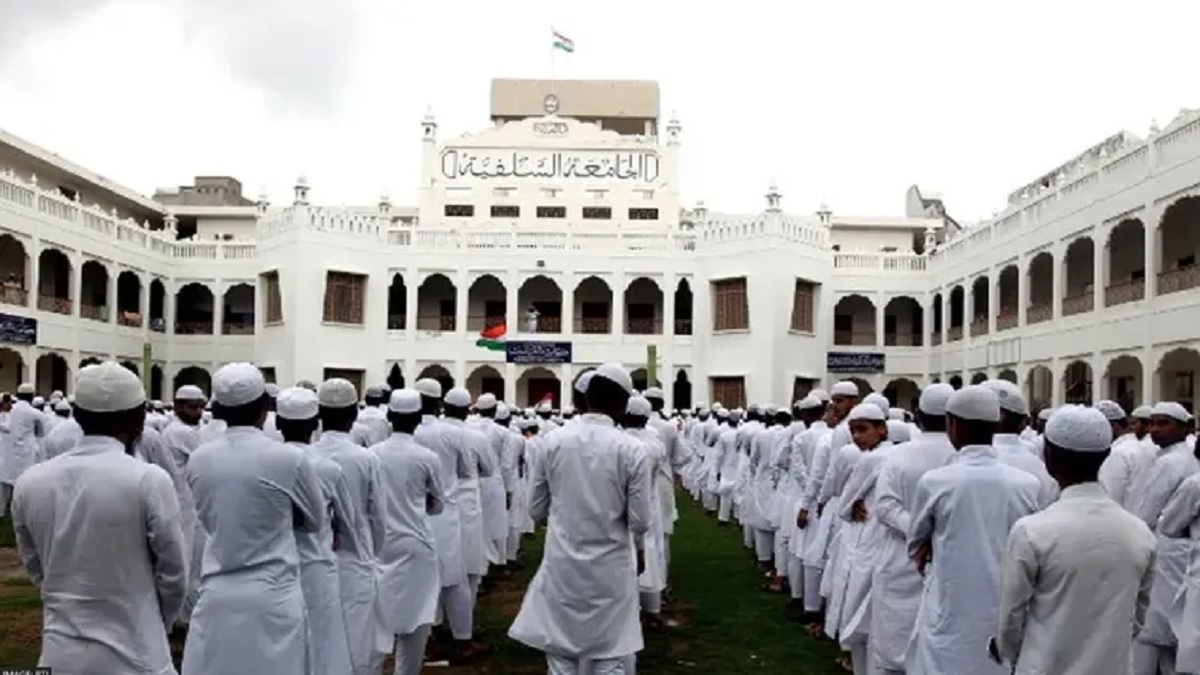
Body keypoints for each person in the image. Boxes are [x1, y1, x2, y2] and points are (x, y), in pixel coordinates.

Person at [12, 362, 188, 675]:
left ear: (78, 415)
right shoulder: (147, 479)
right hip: (138, 653)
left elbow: (36, 567)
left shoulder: (30, 482)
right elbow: (174, 575)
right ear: (139, 420)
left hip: (59, 654)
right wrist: (153, 617)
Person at [181, 363, 326, 675]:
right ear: (265, 407)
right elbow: (315, 521)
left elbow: (212, 516)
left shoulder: (199, 459)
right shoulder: (290, 458)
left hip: (217, 595)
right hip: (273, 596)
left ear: (216, 408)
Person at [509, 363, 652, 674]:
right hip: (611, 566)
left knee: (561, 650)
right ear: (623, 404)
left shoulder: (553, 442)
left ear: (586, 398)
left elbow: (535, 509)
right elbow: (640, 521)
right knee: (610, 652)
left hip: (563, 560)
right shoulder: (632, 449)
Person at [992, 405, 1156, 675]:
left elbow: (1011, 618)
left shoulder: (1033, 531)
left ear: (1049, 457)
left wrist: (1010, 654)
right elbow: (1137, 617)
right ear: (1105, 456)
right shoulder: (1139, 533)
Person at [906, 385, 1041, 675]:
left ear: (951, 425)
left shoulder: (937, 482)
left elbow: (915, 544)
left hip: (951, 602)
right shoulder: (1027, 484)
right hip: (1004, 602)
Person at [870, 383, 956, 675]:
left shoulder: (898, 455)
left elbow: (884, 508)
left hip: (901, 555)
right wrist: (933, 536)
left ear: (917, 414)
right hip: (949, 558)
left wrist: (918, 533)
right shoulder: (962, 457)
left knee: (893, 645)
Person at [277, 386, 356, 675]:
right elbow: (348, 524)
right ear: (315, 423)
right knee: (322, 648)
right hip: (316, 568)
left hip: (275, 570)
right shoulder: (328, 468)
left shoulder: (265, 464)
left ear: (277, 423)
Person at [312, 379, 389, 675]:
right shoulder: (366, 459)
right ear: (353, 415)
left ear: (319, 412)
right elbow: (378, 516)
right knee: (357, 635)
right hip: (355, 556)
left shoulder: (306, 455)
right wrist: (373, 551)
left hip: (313, 561)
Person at [373, 389, 446, 675]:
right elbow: (438, 504)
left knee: (377, 621)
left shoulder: (371, 455)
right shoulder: (427, 457)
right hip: (416, 543)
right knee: (416, 620)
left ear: (389, 417)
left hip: (379, 544)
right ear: (418, 419)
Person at [1131, 401, 1199, 675]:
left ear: (1185, 428)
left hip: (1165, 554)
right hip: (1178, 555)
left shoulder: (1172, 462)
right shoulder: (1182, 458)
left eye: (1164, 423)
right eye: (1153, 423)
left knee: (1152, 632)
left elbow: (1150, 512)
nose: (1155, 430)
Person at [162, 384, 207, 624]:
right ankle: (186, 618)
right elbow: (207, 459)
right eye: (192, 407)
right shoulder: (182, 433)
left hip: (184, 500)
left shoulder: (175, 429)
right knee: (190, 562)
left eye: (200, 406)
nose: (198, 412)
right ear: (178, 406)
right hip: (185, 504)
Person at [0, 382, 44, 517]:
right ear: (32, 396)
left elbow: (5, 427)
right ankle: (22, 512)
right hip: (26, 452)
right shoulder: (35, 413)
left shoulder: (10, 411)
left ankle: (1, 511)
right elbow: (40, 433)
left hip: (9, 451)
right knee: (24, 482)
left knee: (4, 481)